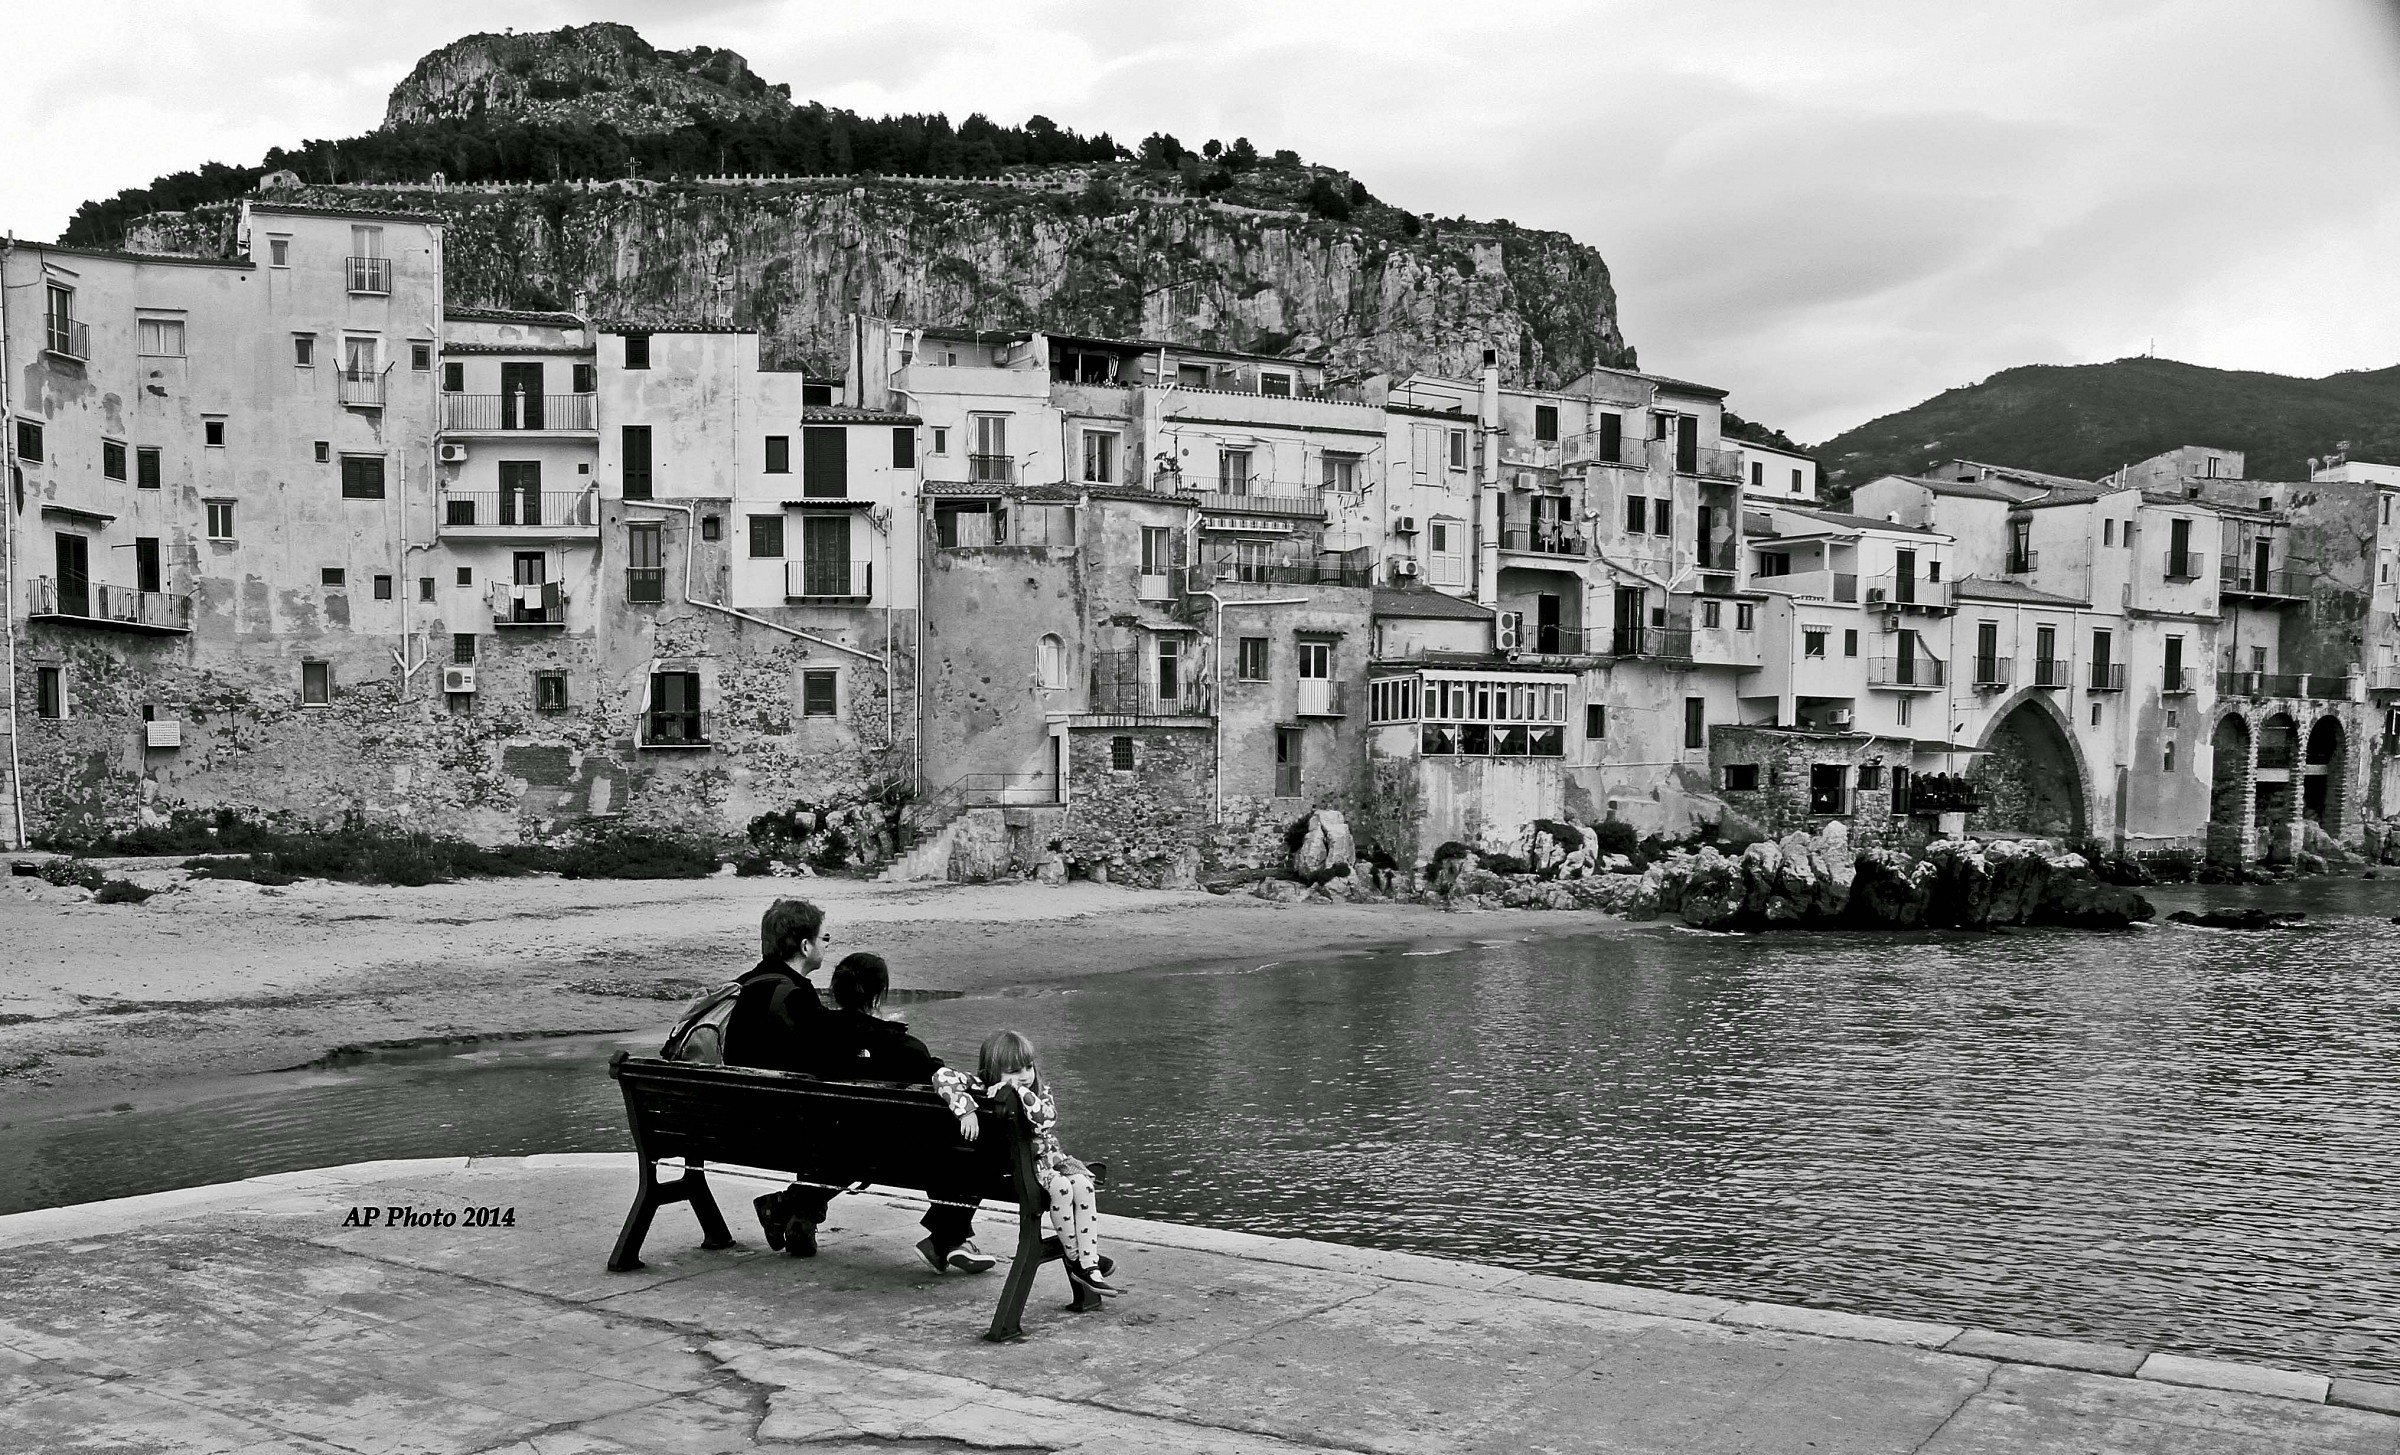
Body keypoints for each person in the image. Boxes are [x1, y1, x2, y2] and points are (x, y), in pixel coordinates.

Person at [817, 953, 998, 1275]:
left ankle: (951, 1240)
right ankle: (947, 1238)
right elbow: (936, 1078)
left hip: (824, 1141)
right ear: (879, 994)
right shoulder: (904, 1049)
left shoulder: (814, 1037)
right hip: (895, 1153)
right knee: (979, 1146)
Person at [939, 1029, 1119, 1297]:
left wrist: (1019, 1090)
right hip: (1025, 1174)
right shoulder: (984, 1087)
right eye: (1014, 1071)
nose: (1024, 1075)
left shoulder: (1038, 1092)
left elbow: (1046, 1118)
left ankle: (1088, 1262)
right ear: (992, 1071)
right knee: (1062, 1188)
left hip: (1044, 1165)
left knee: (1083, 1184)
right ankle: (1076, 1260)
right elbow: (941, 1075)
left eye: (1028, 1066)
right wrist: (967, 1109)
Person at [723, 898, 836, 1254]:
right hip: (778, 1130)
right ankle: (788, 1207)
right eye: (824, 937)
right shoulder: (795, 996)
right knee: (861, 1128)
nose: (826, 944)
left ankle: (796, 1215)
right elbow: (826, 1065)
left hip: (727, 1125)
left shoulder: (742, 986)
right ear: (805, 946)